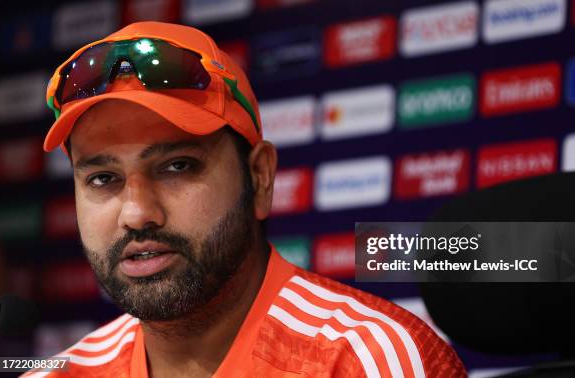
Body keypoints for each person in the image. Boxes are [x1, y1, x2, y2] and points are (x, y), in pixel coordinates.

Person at [25, 22, 466, 377]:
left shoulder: (370, 364)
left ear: (260, 177)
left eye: (177, 166)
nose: (138, 214)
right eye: (103, 178)